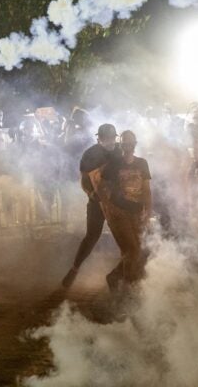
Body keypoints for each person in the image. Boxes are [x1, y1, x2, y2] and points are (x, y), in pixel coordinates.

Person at [60, 123, 120, 288]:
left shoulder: (120, 150)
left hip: (118, 201)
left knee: (124, 236)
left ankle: (120, 273)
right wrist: (91, 194)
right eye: (106, 138)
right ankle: (74, 269)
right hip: (97, 202)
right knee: (92, 235)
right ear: (99, 138)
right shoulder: (91, 154)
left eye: (113, 138)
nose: (110, 141)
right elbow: (85, 180)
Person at [97, 130, 152, 291]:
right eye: (125, 142)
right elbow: (101, 187)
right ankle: (129, 289)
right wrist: (109, 207)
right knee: (133, 250)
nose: (128, 145)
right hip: (119, 213)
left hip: (137, 212)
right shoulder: (114, 163)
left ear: (135, 144)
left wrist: (148, 211)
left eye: (130, 142)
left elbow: (147, 189)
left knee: (134, 251)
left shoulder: (142, 163)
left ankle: (114, 277)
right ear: (121, 144)